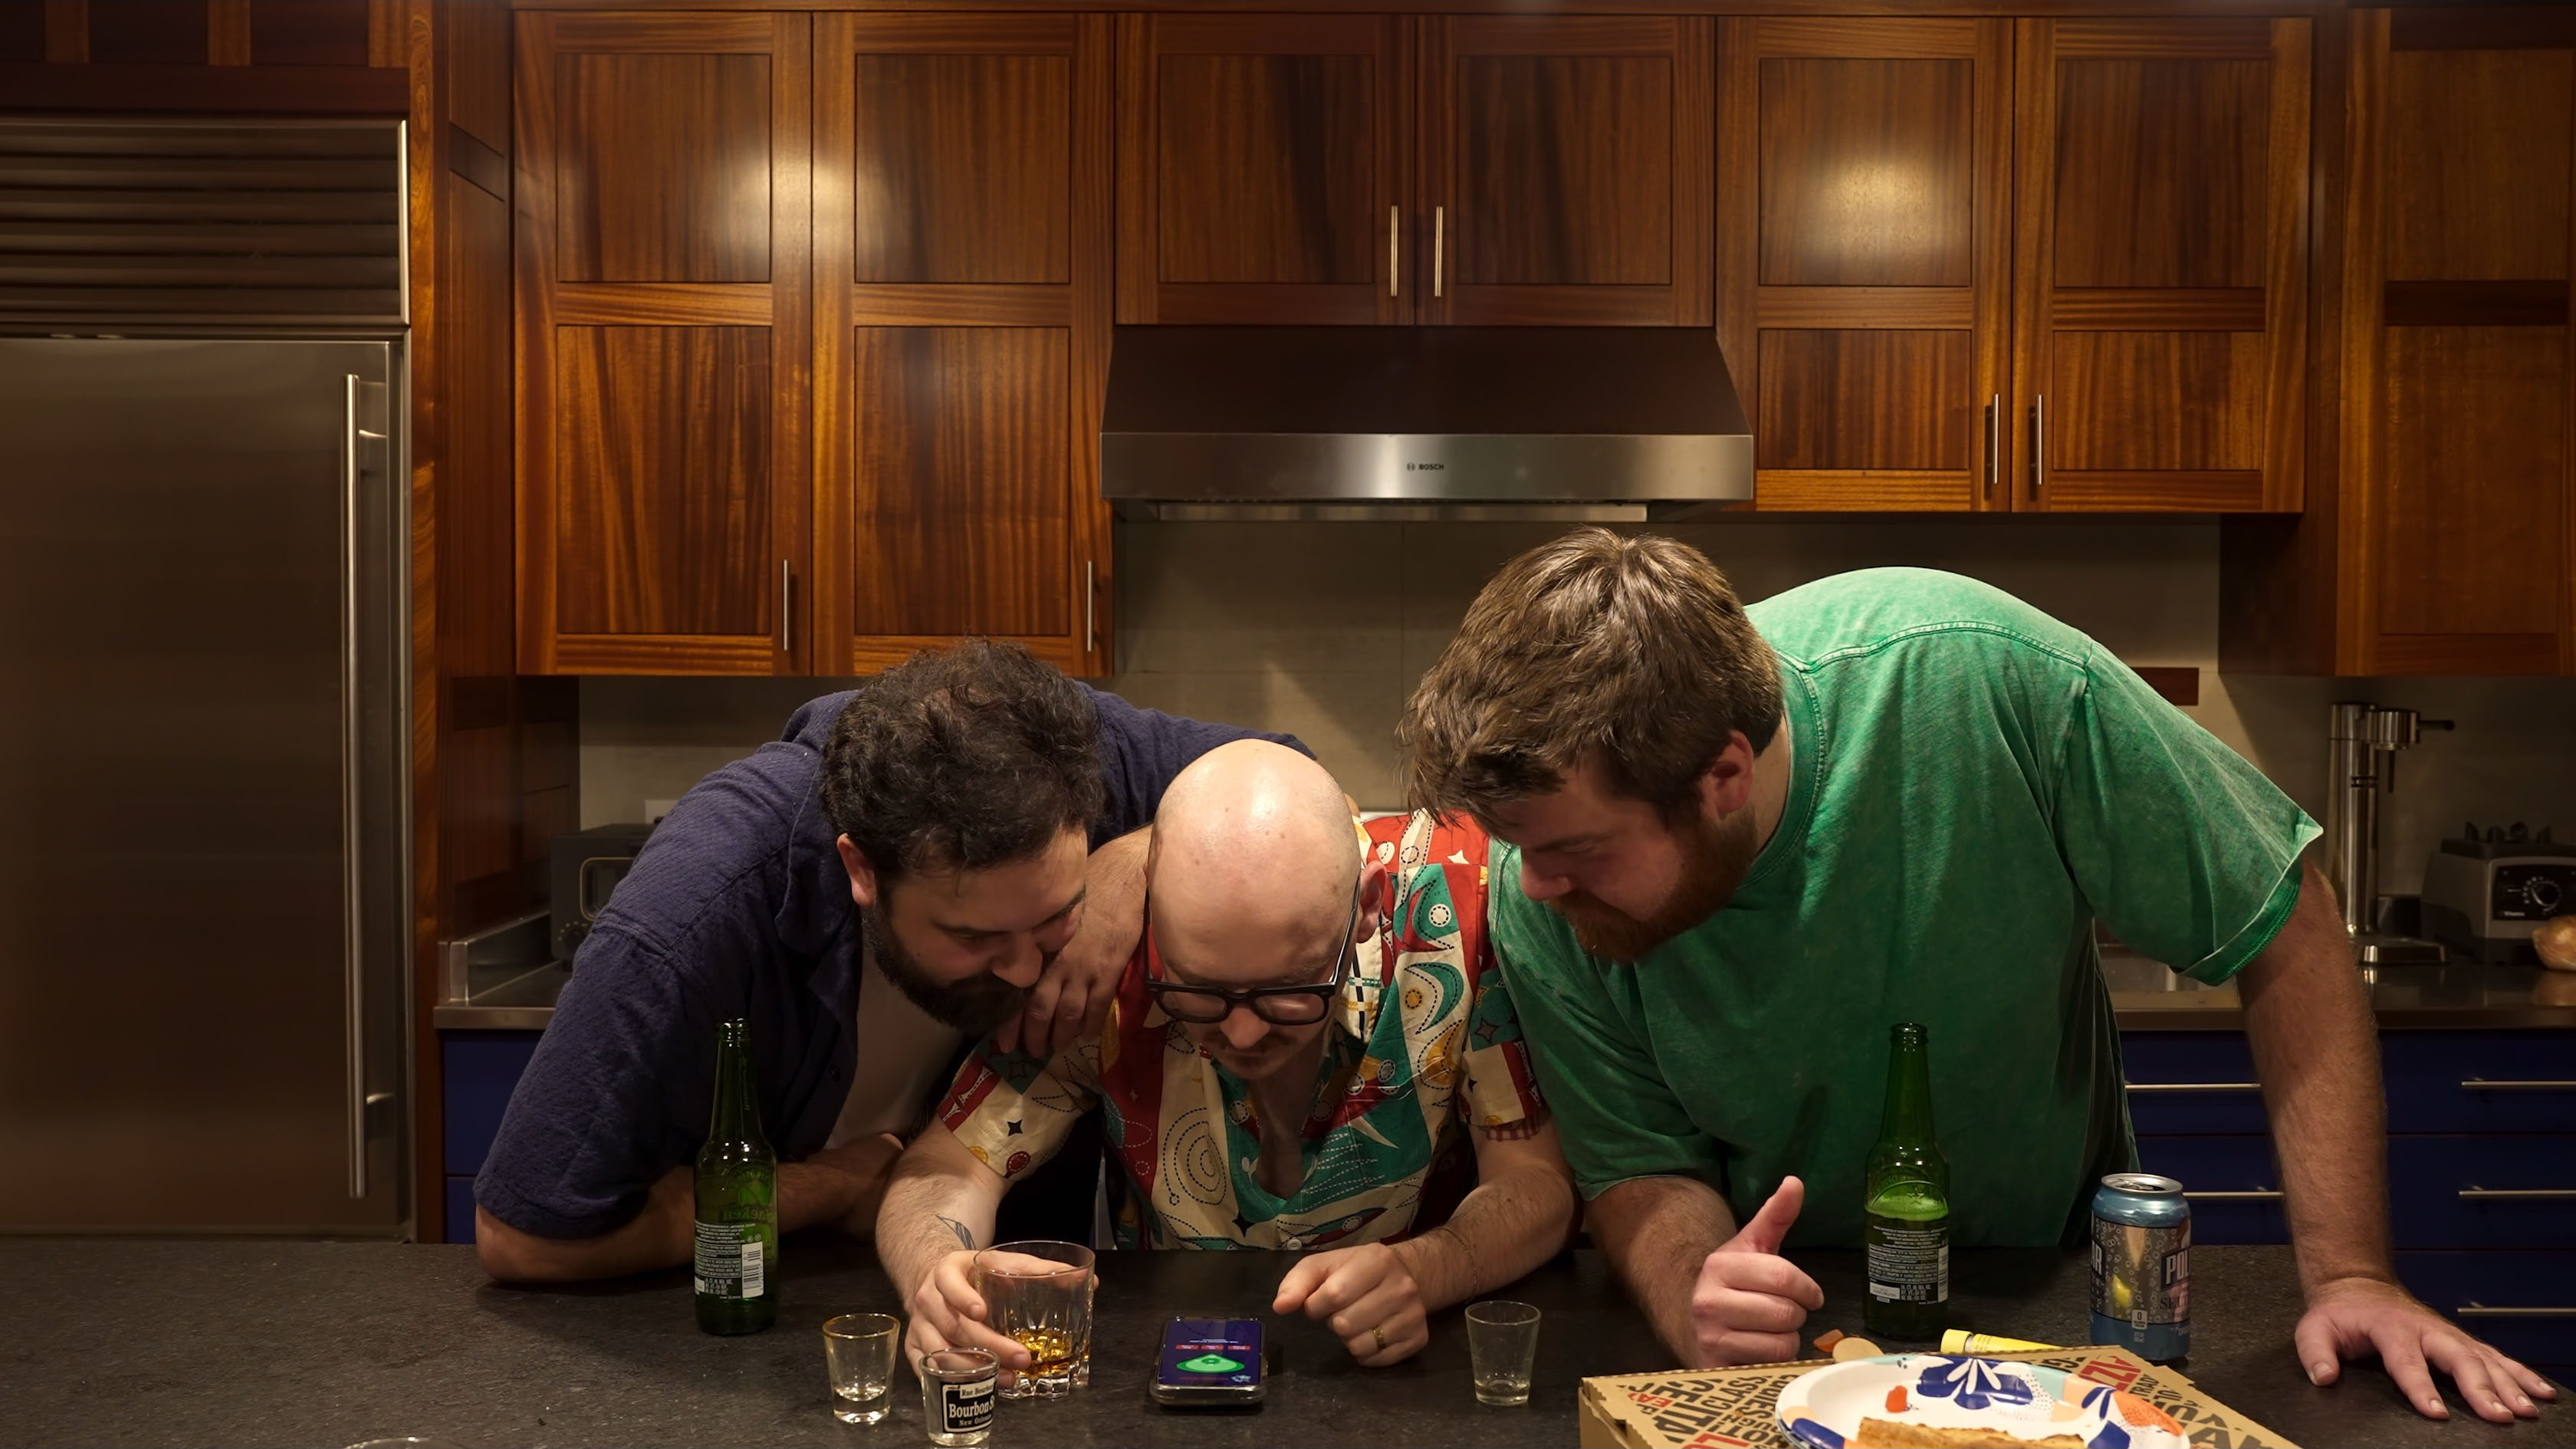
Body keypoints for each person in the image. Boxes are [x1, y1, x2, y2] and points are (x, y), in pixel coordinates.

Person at [1397, 529, 2556, 1426]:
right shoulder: (1540, 888)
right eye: (1520, 849)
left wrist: (2353, 1273)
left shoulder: (1978, 677)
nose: (1533, 887)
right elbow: (1639, 1157)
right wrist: (1704, 1292)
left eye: (1578, 852)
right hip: (1798, 1338)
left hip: (2039, 1304)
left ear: (1724, 779)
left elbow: (2279, 910)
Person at [472, 642, 1299, 1283]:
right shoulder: (700, 907)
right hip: (773, 1319)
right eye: (974, 939)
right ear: (861, 869)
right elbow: (524, 1238)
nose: (1021, 971)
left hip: (1001, 1304)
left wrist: (1133, 864)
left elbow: (1307, 792)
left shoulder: (1064, 748)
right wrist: (831, 1187)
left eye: (1052, 920)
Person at [877, 740, 1577, 1372]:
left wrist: (1431, 1270)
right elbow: (946, 1164)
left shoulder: (1458, 906)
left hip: (1408, 1378)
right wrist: (934, 1268)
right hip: (1165, 1369)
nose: (1242, 1035)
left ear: (1364, 907)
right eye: (1199, 994)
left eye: (1289, 992)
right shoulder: (1099, 966)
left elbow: (1534, 1183)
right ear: (1153, 916)